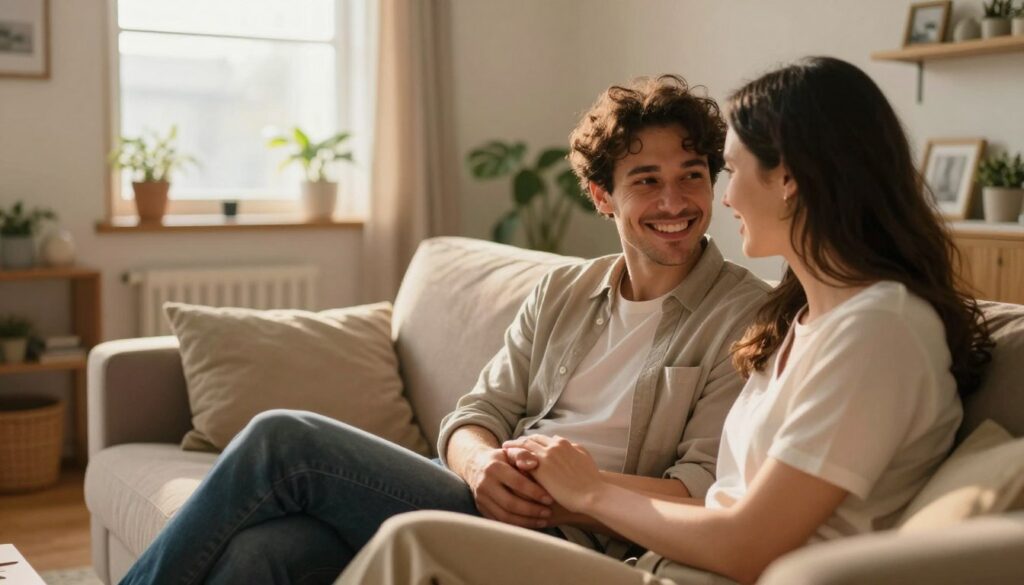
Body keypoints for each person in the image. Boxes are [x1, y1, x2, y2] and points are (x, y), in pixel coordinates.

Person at [334, 56, 994, 585]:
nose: (721, 196)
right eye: (649, 180)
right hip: (652, 564)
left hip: (685, 572)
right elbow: (729, 506)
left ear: (788, 177)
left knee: (407, 535)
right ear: (604, 196)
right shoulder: (802, 319)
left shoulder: (878, 329)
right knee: (285, 547)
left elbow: (742, 542)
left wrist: (586, 492)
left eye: (723, 170)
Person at [119, 75, 770, 585]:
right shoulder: (565, 290)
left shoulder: (741, 314)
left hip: (574, 536)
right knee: (264, 555)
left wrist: (569, 497)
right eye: (646, 181)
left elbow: (700, 490)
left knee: (281, 439)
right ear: (603, 196)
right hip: (474, 490)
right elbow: (475, 413)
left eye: (691, 176)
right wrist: (482, 463)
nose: (674, 203)